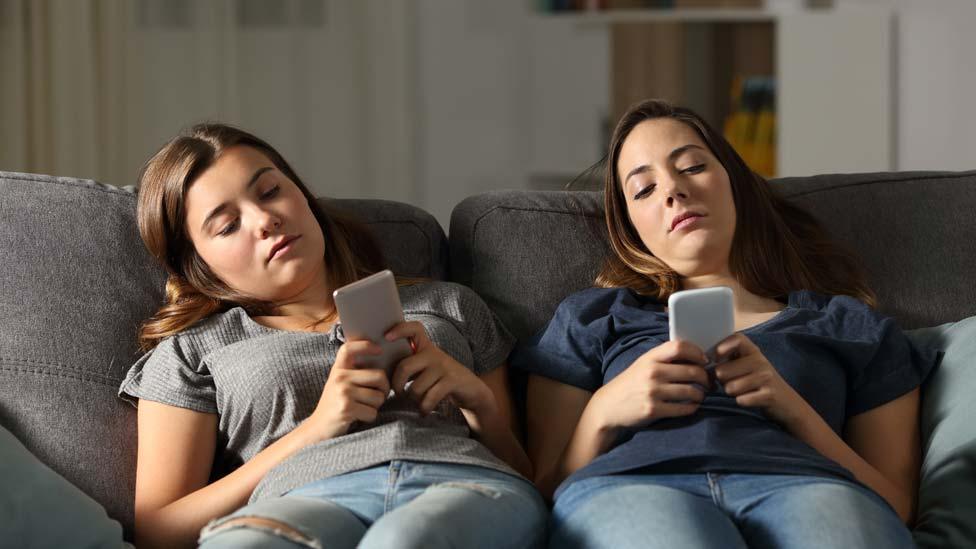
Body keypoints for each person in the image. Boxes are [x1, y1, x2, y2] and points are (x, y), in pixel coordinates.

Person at [510, 99, 940, 549]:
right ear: (631, 227)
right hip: (633, 488)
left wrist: (791, 408)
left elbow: (896, 504)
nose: (673, 191)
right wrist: (604, 411)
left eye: (692, 166)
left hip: (809, 487)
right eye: (643, 190)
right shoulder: (593, 318)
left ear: (733, 180)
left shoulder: (849, 324)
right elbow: (545, 489)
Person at [118, 123, 546, 549]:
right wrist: (314, 430)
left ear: (302, 194)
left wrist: (481, 406)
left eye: (269, 192)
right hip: (298, 501)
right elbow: (158, 531)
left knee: (403, 541)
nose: (266, 219)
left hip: (461, 484)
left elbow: (530, 478)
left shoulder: (449, 305)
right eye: (228, 225)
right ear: (198, 262)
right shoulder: (191, 353)